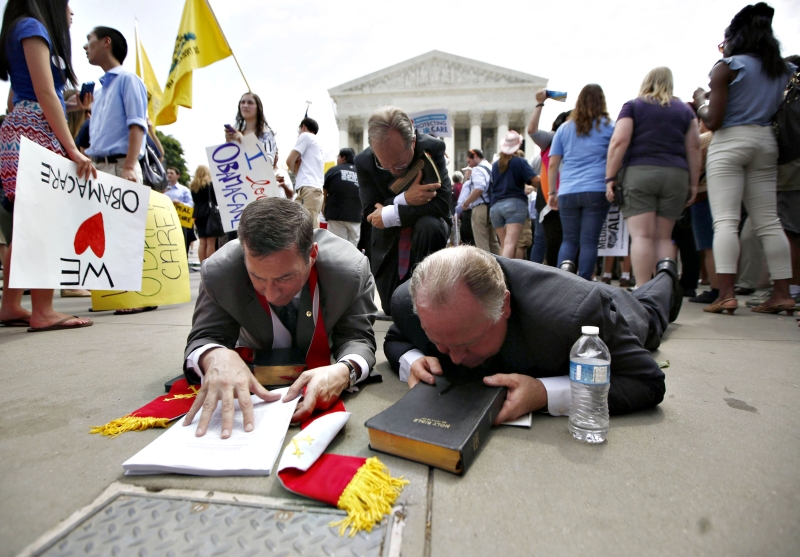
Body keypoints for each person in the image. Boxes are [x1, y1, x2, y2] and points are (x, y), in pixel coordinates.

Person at [384, 246, 677, 423]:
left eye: (468, 343)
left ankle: (666, 274)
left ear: (505, 306)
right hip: (549, 289)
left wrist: (544, 394)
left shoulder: (576, 314)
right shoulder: (410, 303)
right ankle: (564, 270)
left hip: (619, 309)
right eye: (440, 343)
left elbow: (646, 381)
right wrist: (413, 361)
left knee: (651, 309)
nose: (456, 358)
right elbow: (396, 339)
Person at [182, 198, 377, 437]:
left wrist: (345, 370)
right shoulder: (219, 273)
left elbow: (357, 337)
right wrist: (214, 355)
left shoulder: (350, 272)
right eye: (257, 277)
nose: (272, 293)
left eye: (285, 278)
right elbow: (205, 336)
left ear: (312, 254)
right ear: (243, 254)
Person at [0, 0, 97, 332]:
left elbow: (18, 95)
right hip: (35, 127)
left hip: (21, 123)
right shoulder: (33, 27)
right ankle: (43, 309)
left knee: (26, 222)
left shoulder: (20, 27)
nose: (70, 10)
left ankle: (11, 305)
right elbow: (44, 91)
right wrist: (72, 148)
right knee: (43, 220)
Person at [692, 2, 795, 315]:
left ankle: (725, 293)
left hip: (730, 142)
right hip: (765, 141)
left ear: (735, 38)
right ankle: (782, 293)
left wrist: (699, 102)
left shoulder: (728, 67)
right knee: (769, 221)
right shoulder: (782, 69)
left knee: (725, 220)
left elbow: (714, 120)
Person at [606, 67, 700, 286]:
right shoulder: (685, 111)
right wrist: (693, 183)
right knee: (664, 237)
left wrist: (610, 177)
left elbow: (619, 141)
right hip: (676, 174)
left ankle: (642, 289)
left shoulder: (633, 106)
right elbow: (694, 147)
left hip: (640, 173)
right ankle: (663, 290)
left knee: (641, 236)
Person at [354, 106, 451, 315]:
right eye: (383, 164)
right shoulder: (364, 161)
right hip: (388, 238)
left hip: (425, 232)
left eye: (399, 165)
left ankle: (429, 296)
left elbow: (443, 203)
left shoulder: (432, 148)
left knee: (429, 225)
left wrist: (390, 212)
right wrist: (404, 199)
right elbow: (371, 210)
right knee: (394, 307)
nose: (392, 172)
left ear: (413, 142)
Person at [549, 84, 614, 280]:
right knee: (589, 242)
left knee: (568, 240)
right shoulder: (610, 127)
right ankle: (585, 282)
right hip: (596, 188)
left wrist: (552, 192)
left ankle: (564, 281)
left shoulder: (564, 129)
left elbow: (553, 164)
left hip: (568, 189)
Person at [84, 26, 147, 184]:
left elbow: (137, 124)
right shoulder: (98, 93)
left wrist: (129, 167)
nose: (85, 46)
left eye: (89, 39)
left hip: (121, 168)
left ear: (106, 41)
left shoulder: (129, 79)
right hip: (96, 168)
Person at [527, 93, 567, 267]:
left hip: (568, 194)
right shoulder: (552, 139)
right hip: (550, 198)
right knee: (549, 241)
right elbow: (532, 131)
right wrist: (540, 104)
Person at [286, 117, 325, 227]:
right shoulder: (318, 144)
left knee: (304, 228)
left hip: (307, 188)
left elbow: (289, 161)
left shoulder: (305, 136)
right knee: (311, 227)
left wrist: (295, 169)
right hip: (314, 190)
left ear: (303, 127)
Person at [460, 148, 499, 254]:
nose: (470, 165)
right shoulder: (491, 167)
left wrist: (466, 203)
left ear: (476, 156)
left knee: (482, 244)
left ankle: (488, 269)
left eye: (469, 161)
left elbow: (479, 188)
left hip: (480, 208)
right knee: (493, 242)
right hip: (492, 206)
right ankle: (502, 267)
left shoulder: (478, 169)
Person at [323, 148, 361, 247]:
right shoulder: (361, 173)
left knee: (337, 247)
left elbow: (324, 192)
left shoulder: (333, 170)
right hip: (356, 216)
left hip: (336, 215)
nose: (337, 159)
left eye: (338, 157)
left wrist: (323, 208)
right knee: (353, 248)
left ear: (343, 157)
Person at [189, 165, 223, 264]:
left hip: (198, 214)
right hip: (209, 214)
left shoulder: (193, 186)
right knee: (211, 242)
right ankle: (210, 264)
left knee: (202, 242)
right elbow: (216, 201)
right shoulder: (210, 184)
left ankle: (202, 264)